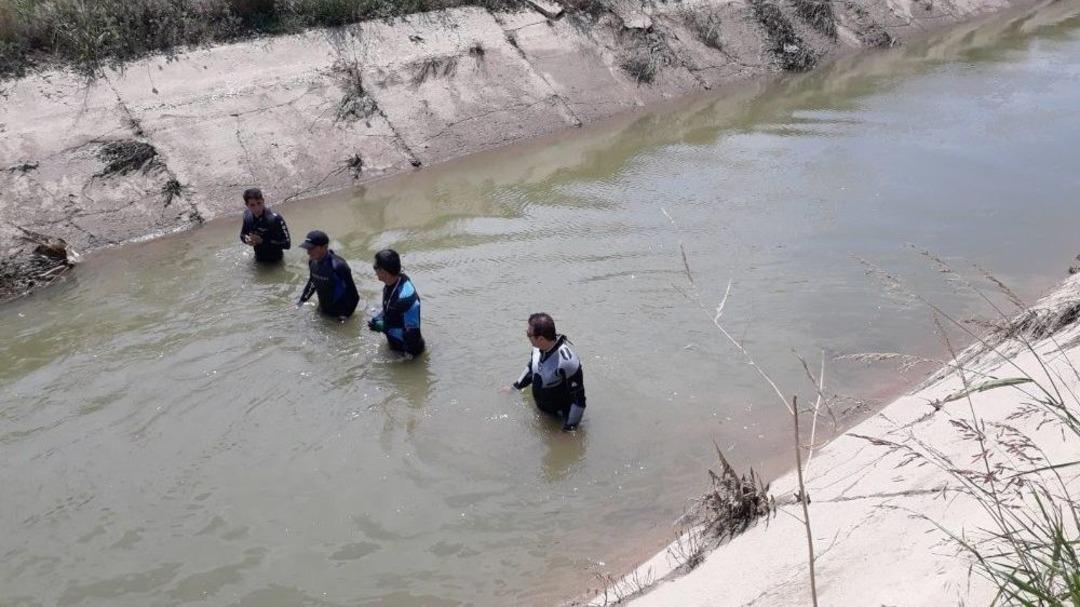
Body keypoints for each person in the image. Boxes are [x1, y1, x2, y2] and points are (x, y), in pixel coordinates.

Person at [506, 313, 586, 431]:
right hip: (541, 411)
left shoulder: (567, 362)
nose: (527, 336)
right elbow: (532, 368)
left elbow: (579, 401)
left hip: (559, 417)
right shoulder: (537, 348)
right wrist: (514, 388)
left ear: (541, 339)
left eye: (528, 334)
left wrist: (568, 430)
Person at [367, 249, 425, 356]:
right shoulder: (393, 282)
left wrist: (383, 327)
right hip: (395, 346)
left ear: (384, 272)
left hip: (408, 354)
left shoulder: (405, 298)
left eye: (376, 267)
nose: (375, 271)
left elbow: (412, 337)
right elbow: (390, 311)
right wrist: (379, 318)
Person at [296, 230, 359, 320]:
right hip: (322, 310)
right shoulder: (312, 262)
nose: (308, 252)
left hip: (339, 315)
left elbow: (354, 296)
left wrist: (345, 317)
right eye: (307, 248)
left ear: (324, 247)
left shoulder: (339, 266)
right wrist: (301, 302)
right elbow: (312, 283)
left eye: (311, 248)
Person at [239, 188, 291, 262]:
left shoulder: (275, 218)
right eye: (252, 205)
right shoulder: (247, 215)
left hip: (276, 261)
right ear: (247, 205)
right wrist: (246, 239)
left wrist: (263, 241)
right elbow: (243, 234)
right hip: (258, 259)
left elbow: (287, 244)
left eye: (259, 203)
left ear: (263, 201)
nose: (257, 208)